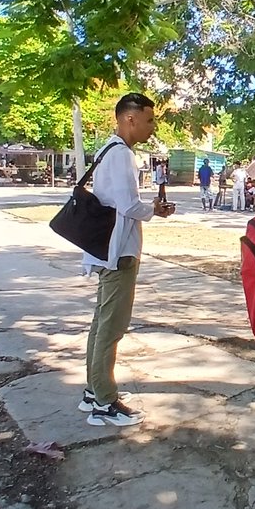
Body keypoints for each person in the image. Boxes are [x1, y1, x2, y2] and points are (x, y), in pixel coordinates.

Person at [78, 93, 174, 428]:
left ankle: (94, 390)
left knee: (101, 323)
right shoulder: (120, 155)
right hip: (119, 252)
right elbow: (128, 205)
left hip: (109, 247)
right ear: (129, 118)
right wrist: (154, 211)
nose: (152, 127)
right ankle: (104, 402)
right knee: (111, 327)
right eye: (149, 120)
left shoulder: (110, 150)